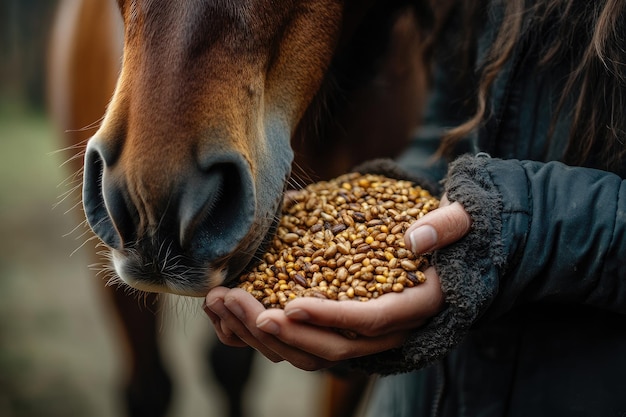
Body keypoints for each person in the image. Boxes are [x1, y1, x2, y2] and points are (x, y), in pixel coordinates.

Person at [203, 0, 626, 415]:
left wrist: (520, 224)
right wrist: (398, 193)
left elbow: (504, 219)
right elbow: (449, 121)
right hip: (428, 395)